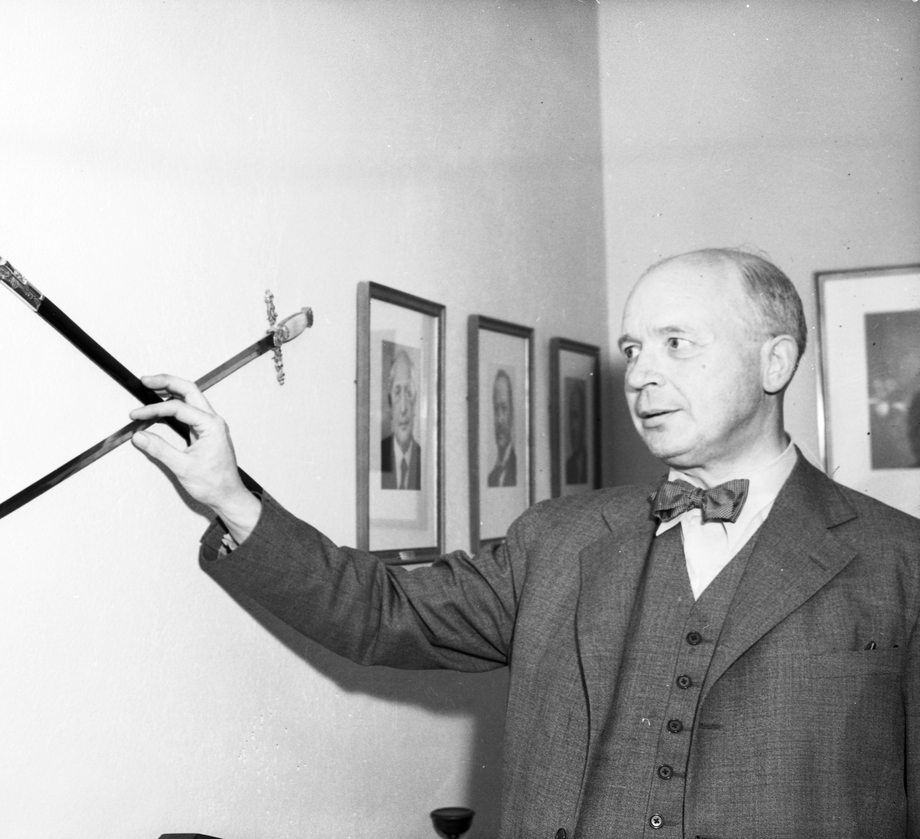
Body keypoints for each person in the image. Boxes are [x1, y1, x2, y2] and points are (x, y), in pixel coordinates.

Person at [129, 248, 920, 838]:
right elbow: (381, 610)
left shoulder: (900, 562)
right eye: (633, 349)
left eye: (677, 343)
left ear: (775, 360)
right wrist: (229, 494)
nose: (640, 375)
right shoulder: (561, 540)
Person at [381, 347, 421, 490]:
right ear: (390, 401)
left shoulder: (425, 459)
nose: (403, 408)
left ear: (415, 400)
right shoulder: (379, 456)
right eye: (397, 393)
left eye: (409, 392)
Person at [487, 369, 517, 487]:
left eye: (504, 409)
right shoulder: (491, 477)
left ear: (512, 413)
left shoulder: (517, 469)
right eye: (496, 409)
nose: (499, 420)